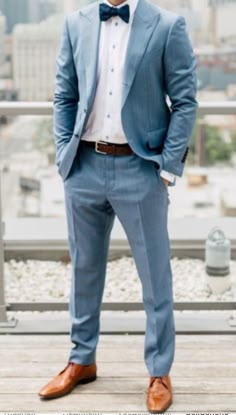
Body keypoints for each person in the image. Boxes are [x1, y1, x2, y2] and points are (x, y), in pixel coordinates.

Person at [38, 0, 198, 411]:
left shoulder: (167, 25)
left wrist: (166, 167)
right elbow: (64, 94)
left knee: (154, 277)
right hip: (84, 167)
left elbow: (184, 101)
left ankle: (159, 371)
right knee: (84, 272)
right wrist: (64, 156)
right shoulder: (75, 23)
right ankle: (81, 359)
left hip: (140, 169)